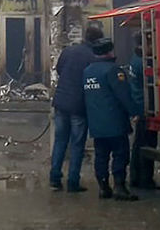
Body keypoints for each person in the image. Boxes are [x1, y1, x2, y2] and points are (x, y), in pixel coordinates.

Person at [83, 38, 141, 201]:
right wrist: (134, 112)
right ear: (110, 52)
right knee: (120, 155)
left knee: (101, 156)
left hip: (96, 124)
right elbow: (123, 95)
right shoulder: (114, 71)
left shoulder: (87, 72)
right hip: (114, 123)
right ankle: (119, 187)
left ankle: (103, 187)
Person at [49, 25, 104, 193]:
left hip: (61, 102)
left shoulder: (68, 51)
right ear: (97, 41)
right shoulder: (94, 57)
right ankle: (73, 182)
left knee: (60, 142)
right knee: (77, 144)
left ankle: (54, 178)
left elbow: (58, 70)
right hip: (79, 106)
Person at [128, 32, 159, 189]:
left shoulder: (135, 60)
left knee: (138, 144)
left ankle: (136, 177)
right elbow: (156, 81)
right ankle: (145, 179)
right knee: (147, 144)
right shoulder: (142, 64)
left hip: (139, 107)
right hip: (145, 109)